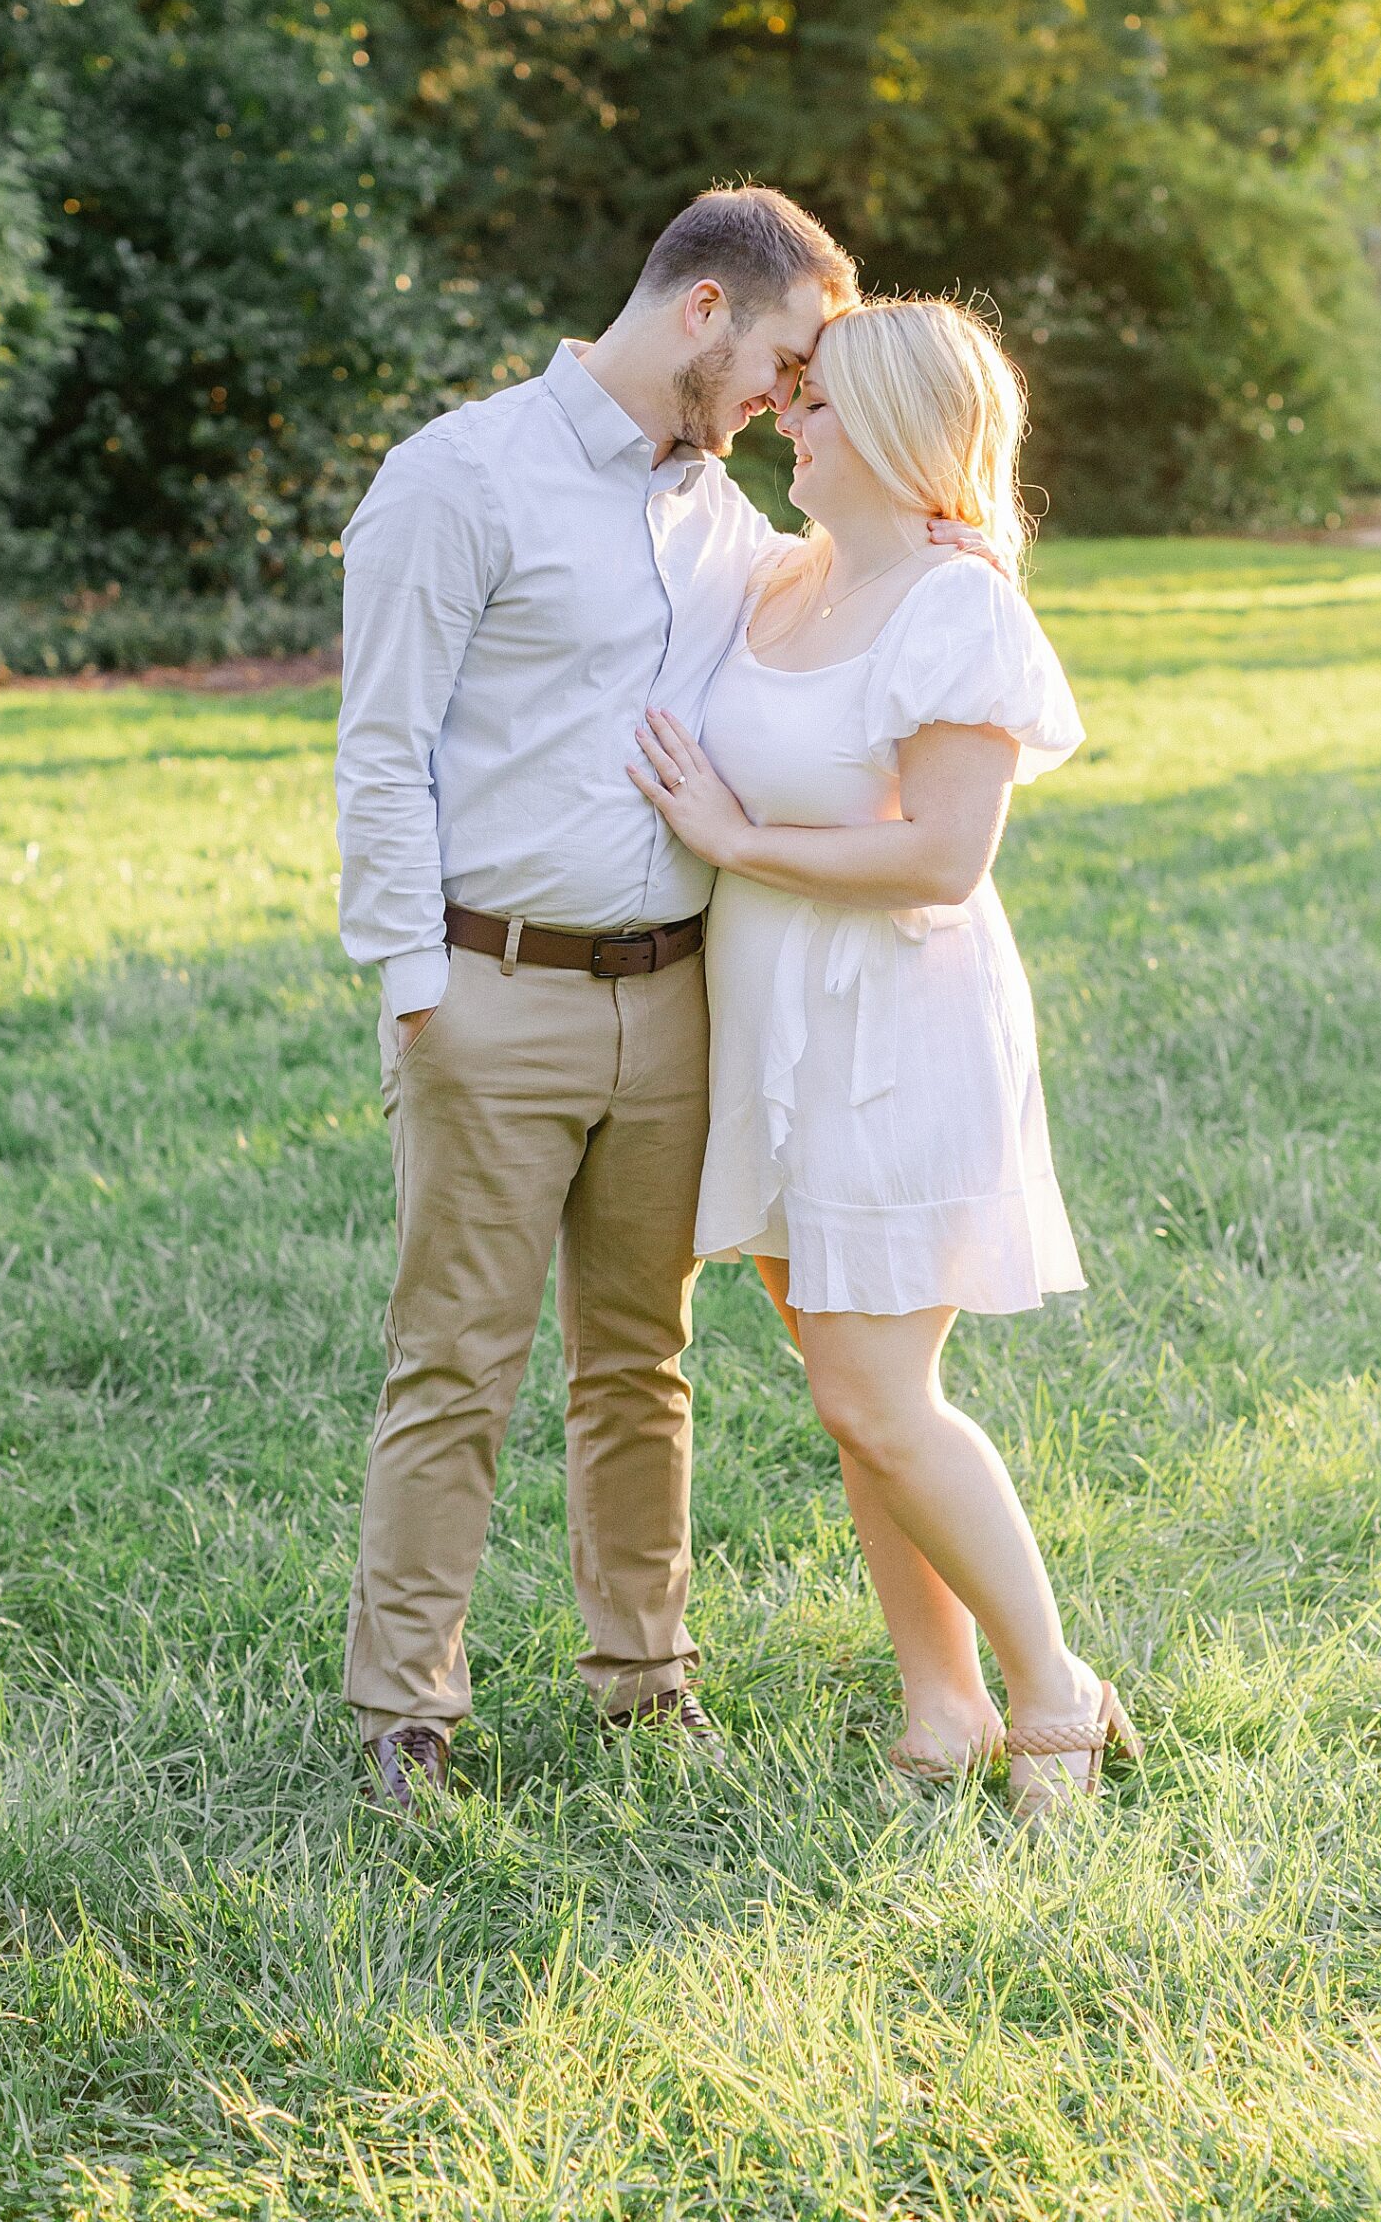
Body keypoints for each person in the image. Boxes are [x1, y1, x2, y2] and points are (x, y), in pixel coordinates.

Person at [335, 187, 988, 1808]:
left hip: (682, 1001)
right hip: (494, 990)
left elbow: (860, 598)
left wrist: (944, 540)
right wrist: (417, 985)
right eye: (780, 360)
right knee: (457, 1361)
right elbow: (381, 745)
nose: (785, 402)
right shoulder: (457, 478)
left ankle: (646, 1679)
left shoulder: (734, 529)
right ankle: (405, 1712)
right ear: (704, 311)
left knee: (641, 1358)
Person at [628, 296, 1142, 1822]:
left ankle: (1057, 1691)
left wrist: (734, 836)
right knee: (846, 1383)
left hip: (895, 1033)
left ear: (907, 431)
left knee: (877, 1390)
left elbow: (944, 857)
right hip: (776, 1017)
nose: (789, 420)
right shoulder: (788, 579)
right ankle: (943, 1708)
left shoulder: (957, 607)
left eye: (819, 404)